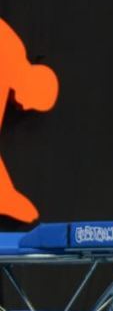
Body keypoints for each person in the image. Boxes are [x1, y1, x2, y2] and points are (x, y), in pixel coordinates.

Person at [0, 16, 59, 223]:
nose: (24, 107)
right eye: (31, 103)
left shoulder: (10, 52)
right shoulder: (7, 57)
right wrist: (11, 200)